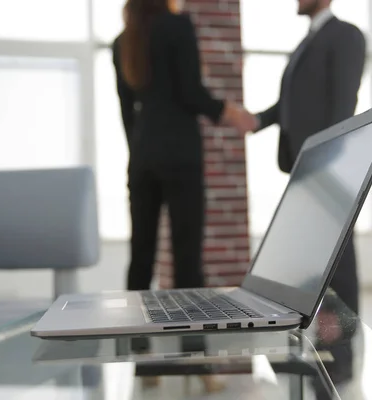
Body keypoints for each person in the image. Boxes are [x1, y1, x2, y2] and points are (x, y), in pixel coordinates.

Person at [113, 0, 254, 392]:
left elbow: (127, 112)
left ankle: (144, 365)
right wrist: (228, 110)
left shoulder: (122, 41)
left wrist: (141, 152)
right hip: (180, 156)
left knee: (140, 262)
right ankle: (200, 365)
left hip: (142, 160)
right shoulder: (177, 26)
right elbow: (191, 92)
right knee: (187, 264)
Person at [250, 0, 366, 316]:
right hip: (304, 165)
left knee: (336, 260)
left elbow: (343, 106)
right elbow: (289, 101)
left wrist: (327, 162)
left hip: (326, 167)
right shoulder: (306, 43)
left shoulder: (345, 35)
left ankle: (344, 349)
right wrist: (257, 120)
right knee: (313, 259)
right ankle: (322, 340)